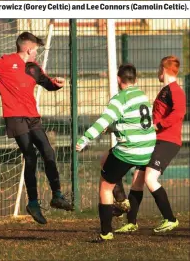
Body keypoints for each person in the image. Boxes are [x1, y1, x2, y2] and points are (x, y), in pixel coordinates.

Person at [0, 32, 73, 225]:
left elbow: (47, 84)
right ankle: (33, 203)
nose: (36, 54)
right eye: (36, 50)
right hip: (15, 117)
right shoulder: (5, 63)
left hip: (33, 117)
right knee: (30, 156)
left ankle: (57, 194)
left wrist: (56, 84)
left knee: (48, 151)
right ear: (28, 49)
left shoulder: (34, 68)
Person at [76, 64, 156, 242]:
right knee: (105, 159)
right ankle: (121, 199)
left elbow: (102, 121)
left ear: (119, 79)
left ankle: (106, 232)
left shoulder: (119, 98)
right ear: (135, 79)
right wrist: (113, 128)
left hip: (129, 150)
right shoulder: (142, 95)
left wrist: (84, 139)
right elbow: (133, 122)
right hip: (148, 148)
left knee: (105, 186)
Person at [114, 56, 186, 234]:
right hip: (155, 140)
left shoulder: (175, 90)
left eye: (158, 68)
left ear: (163, 69)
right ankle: (132, 222)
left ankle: (170, 219)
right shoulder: (165, 90)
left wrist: (158, 125)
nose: (156, 72)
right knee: (138, 178)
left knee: (150, 178)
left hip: (168, 141)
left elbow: (179, 113)